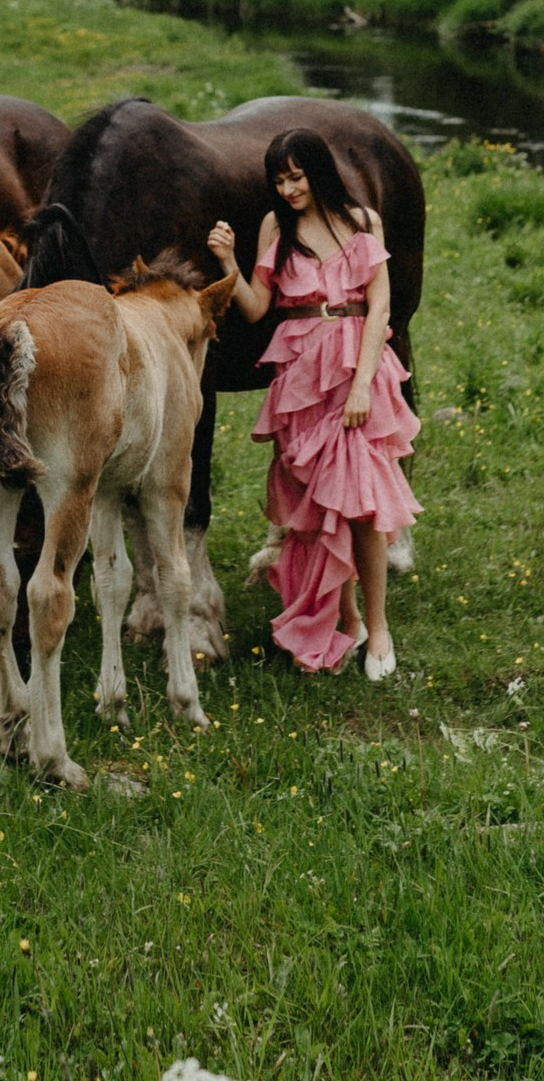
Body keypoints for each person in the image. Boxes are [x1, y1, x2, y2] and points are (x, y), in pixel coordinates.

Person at [208, 129, 420, 679]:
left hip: (355, 365)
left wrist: (360, 384)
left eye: (296, 176)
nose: (288, 188)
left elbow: (380, 310)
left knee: (364, 503)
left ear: (319, 171)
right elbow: (257, 309)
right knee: (317, 505)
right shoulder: (277, 227)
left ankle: (378, 628)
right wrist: (228, 262)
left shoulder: (363, 222)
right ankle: (342, 620)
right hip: (301, 372)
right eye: (279, 180)